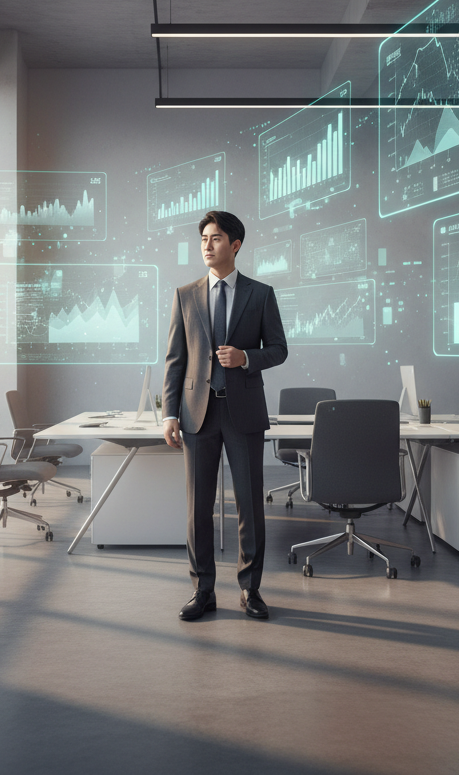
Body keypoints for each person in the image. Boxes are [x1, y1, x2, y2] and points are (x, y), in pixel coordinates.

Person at [162, 210, 288, 620]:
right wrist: (168, 414)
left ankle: (251, 591)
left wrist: (246, 357)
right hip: (197, 414)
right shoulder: (185, 295)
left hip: (244, 413)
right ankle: (203, 591)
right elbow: (174, 360)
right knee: (197, 508)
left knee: (250, 505)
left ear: (235, 245)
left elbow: (279, 348)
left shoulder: (261, 294)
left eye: (215, 238)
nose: (206, 244)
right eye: (203, 238)